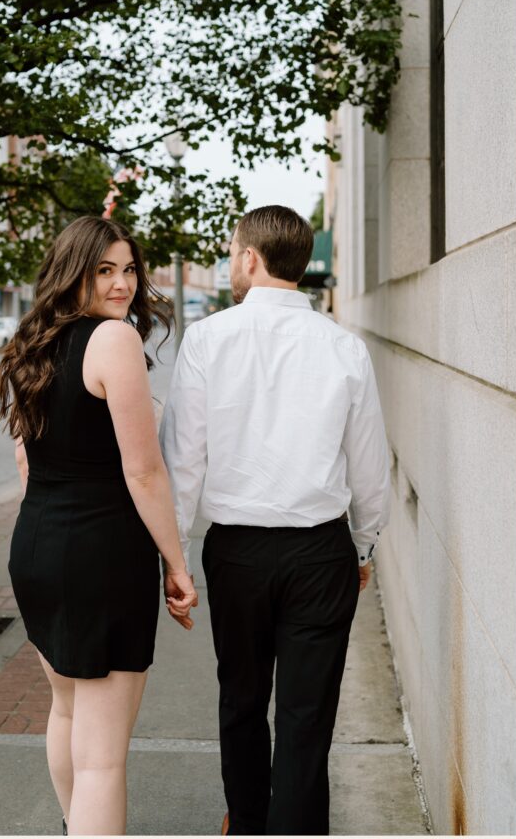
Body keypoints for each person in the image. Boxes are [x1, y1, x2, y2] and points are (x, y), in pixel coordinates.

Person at [160, 204, 390, 839]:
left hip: (236, 553)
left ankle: (249, 823)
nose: (232, 261)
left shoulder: (208, 340)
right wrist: (364, 548)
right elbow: (371, 466)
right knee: (306, 714)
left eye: (234, 252)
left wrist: (174, 560)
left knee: (241, 697)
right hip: (322, 553)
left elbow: (181, 462)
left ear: (250, 259)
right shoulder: (346, 347)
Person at [0, 216, 197, 837]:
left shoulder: (32, 343)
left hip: (37, 547)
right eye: (104, 270)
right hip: (101, 557)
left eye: (129, 270)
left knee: (67, 711)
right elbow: (144, 473)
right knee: (104, 759)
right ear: (74, 273)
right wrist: (177, 563)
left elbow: (25, 460)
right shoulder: (113, 342)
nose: (121, 285)